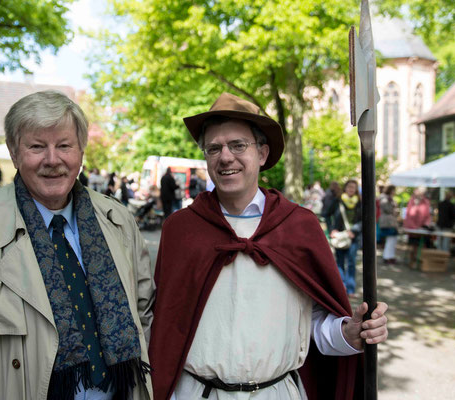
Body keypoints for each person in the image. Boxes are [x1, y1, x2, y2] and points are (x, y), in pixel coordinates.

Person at [0, 91, 154, 400]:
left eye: (64, 146)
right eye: (36, 146)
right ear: (13, 152)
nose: (52, 159)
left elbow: (145, 319)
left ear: (81, 152)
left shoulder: (120, 223)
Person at [149, 93, 388, 400]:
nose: (225, 157)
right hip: (195, 393)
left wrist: (349, 334)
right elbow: (167, 326)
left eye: (238, 145)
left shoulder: (298, 226)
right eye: (214, 148)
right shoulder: (181, 230)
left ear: (262, 153)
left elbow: (312, 326)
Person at [326, 180, 362, 296]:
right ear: (345, 188)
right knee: (340, 262)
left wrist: (354, 230)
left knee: (351, 262)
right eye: (349, 186)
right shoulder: (338, 200)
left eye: (354, 187)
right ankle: (342, 288)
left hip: (353, 236)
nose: (351, 189)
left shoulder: (360, 202)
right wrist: (332, 229)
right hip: (340, 237)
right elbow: (326, 214)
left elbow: (364, 219)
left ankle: (350, 289)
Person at [403, 187, 432, 267]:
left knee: (421, 245)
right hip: (413, 228)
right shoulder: (412, 201)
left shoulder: (426, 202)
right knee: (413, 245)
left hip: (422, 228)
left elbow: (427, 216)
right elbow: (409, 215)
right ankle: (412, 261)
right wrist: (413, 227)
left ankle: (419, 261)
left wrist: (426, 225)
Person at [379, 185, 399, 264]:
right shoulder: (386, 199)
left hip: (390, 222)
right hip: (388, 222)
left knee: (392, 240)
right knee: (390, 240)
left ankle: (389, 256)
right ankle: (387, 256)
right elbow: (387, 209)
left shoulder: (388, 199)